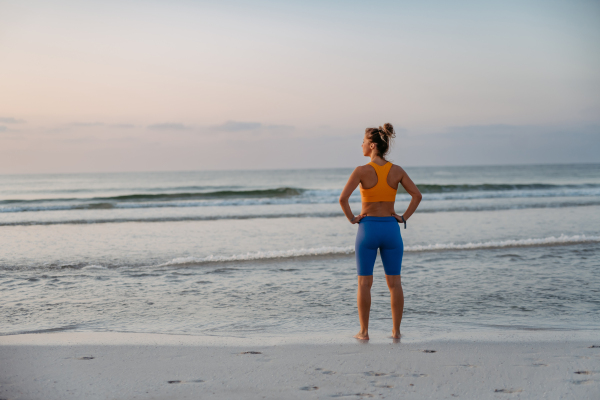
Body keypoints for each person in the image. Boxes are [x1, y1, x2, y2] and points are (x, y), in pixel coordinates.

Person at [339, 123, 422, 340]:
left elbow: (342, 199)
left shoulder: (361, 171)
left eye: (364, 142)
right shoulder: (397, 171)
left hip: (368, 229)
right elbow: (417, 196)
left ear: (372, 145)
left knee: (364, 283)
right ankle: (396, 332)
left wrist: (352, 218)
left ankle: (364, 332)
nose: (362, 145)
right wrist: (403, 217)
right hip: (391, 229)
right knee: (395, 283)